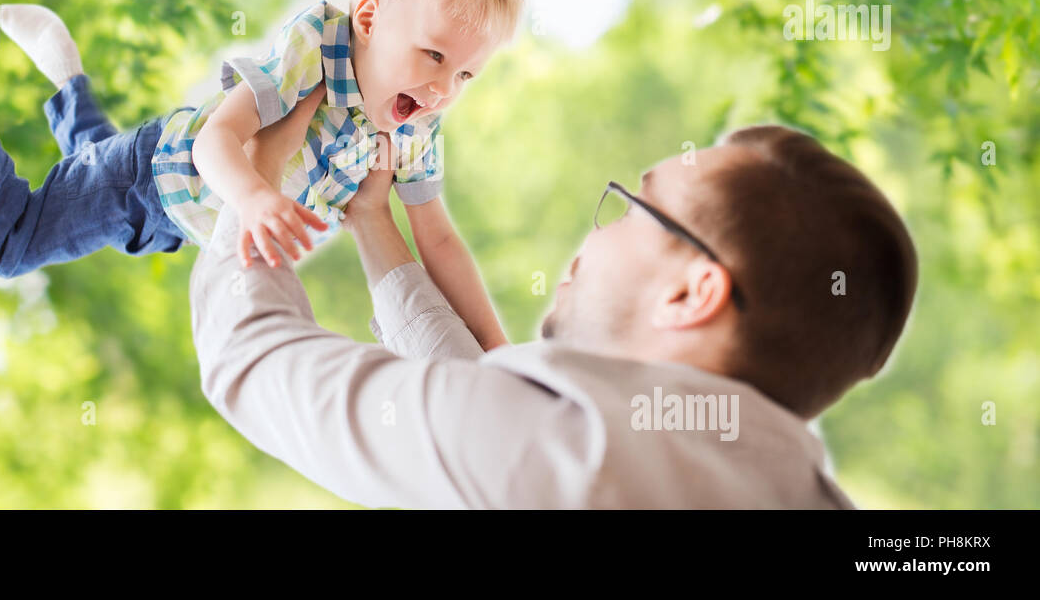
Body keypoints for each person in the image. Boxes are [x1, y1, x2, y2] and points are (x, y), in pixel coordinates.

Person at [0, 0, 522, 351]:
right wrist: (255, 199)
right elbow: (214, 140)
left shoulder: (415, 127)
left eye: (466, 74)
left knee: (88, 167)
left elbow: (437, 239)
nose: (443, 90)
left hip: (176, 219)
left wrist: (496, 350)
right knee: (10, 243)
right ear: (369, 18)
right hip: (154, 171)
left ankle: (63, 68)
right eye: (433, 56)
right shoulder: (319, 46)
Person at [191, 118, 918, 509]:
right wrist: (375, 223)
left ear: (692, 293)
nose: (597, 228)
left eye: (636, 206)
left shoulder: (565, 459)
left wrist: (258, 175)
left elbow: (249, 360)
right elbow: (492, 405)